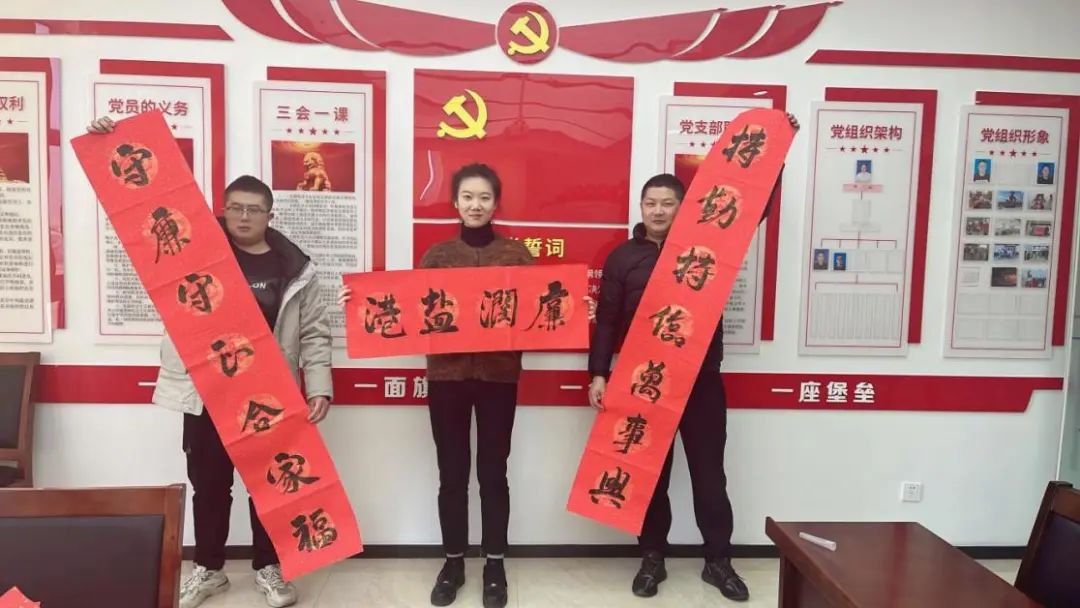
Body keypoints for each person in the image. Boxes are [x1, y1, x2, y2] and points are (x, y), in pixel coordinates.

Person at [86, 117, 333, 608]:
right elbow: (140, 219)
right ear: (223, 208)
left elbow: (314, 331)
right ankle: (209, 569)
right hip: (207, 392)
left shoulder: (295, 267)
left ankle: (268, 567)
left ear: (270, 214)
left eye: (254, 209)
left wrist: (319, 385)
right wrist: (109, 142)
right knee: (210, 486)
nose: (244, 217)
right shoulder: (191, 250)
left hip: (268, 392)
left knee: (271, 485)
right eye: (235, 207)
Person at [582, 112, 797, 604]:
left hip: (699, 380)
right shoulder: (622, 258)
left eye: (667, 203)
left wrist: (776, 153)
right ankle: (652, 557)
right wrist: (598, 374)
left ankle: (718, 561)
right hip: (643, 380)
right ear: (641, 207)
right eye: (650, 203)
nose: (658, 210)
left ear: (684, 207)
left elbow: (753, 208)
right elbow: (607, 321)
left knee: (708, 473)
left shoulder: (707, 246)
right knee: (648, 475)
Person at [339, 163, 532, 608]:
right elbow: (408, 311)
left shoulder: (517, 256)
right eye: (468, 197)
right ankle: (453, 563)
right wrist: (358, 302)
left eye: (484, 197)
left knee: (493, 473)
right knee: (452, 474)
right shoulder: (438, 256)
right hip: (447, 379)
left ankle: (495, 564)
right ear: (455, 202)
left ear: (496, 203)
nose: (476, 205)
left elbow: (538, 313)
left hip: (499, 378)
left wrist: (576, 308)